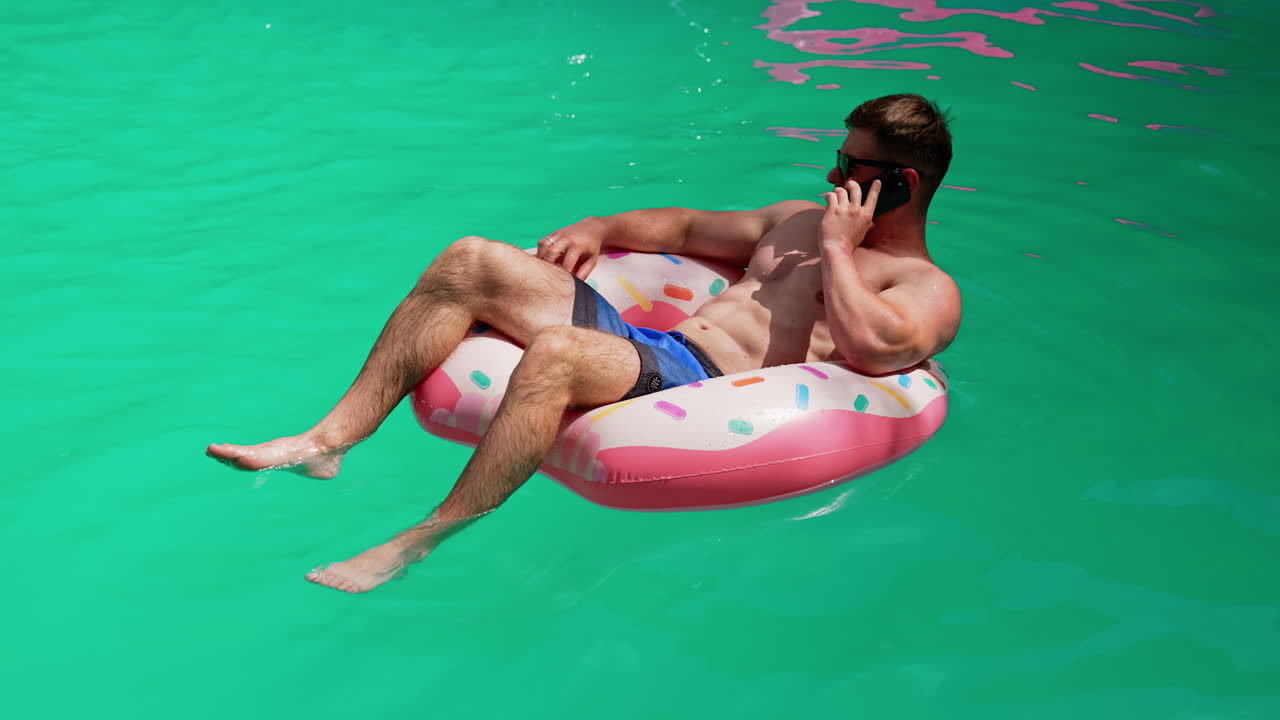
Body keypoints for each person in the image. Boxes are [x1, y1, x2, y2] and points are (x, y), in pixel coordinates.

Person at [207, 93, 962, 593]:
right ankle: (328, 441)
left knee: (558, 355)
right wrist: (599, 227)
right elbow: (686, 228)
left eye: (850, 166)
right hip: (655, 344)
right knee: (469, 260)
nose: (831, 173)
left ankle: (418, 541)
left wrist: (838, 248)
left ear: (898, 182)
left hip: (702, 386)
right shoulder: (796, 218)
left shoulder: (923, 287)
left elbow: (872, 350)